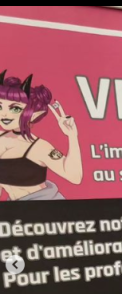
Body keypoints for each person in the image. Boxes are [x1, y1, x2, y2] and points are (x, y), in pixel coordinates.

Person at [0, 70, 83, 201]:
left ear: (34, 114)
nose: (4, 114)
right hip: (15, 211)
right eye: (0, 107)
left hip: (46, 209)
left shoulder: (38, 147)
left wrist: (72, 136)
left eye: (15, 108)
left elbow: (74, 177)